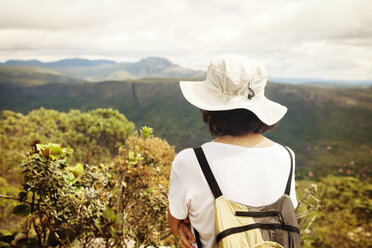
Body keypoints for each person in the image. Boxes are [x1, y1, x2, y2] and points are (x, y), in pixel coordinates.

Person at [168, 55, 298, 248]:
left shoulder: (190, 161)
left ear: (210, 109)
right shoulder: (287, 156)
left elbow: (177, 220)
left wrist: (180, 227)